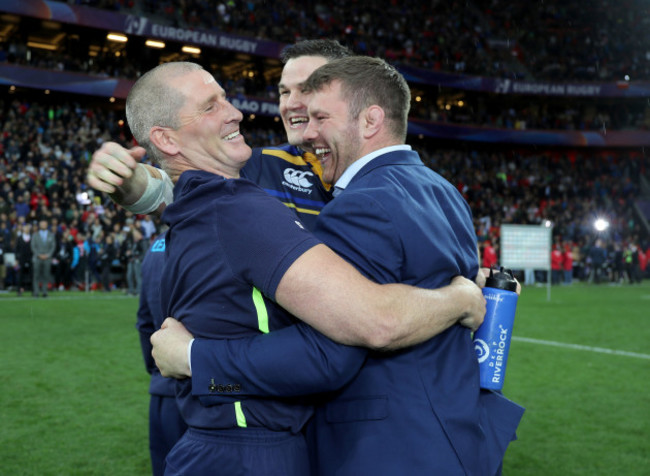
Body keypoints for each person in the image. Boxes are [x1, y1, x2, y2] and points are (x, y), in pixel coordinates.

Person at [154, 57, 525, 476]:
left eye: (320, 117)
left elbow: (328, 356)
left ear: (370, 121)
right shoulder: (441, 190)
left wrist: (194, 359)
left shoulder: (360, 204)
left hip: (388, 449)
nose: (307, 133)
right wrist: (458, 298)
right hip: (454, 430)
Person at [135, 230, 187, 476]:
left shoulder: (155, 246)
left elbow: (145, 322)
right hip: (199, 391)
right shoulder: (203, 237)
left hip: (162, 389)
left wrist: (156, 367)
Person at [31, 218, 56, 297]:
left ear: (47, 225)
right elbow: (33, 246)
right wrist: (39, 255)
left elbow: (53, 246)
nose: (43, 225)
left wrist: (48, 255)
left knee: (46, 275)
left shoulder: (51, 235)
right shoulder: (35, 235)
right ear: (39, 225)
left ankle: (45, 292)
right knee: (36, 275)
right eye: (42, 224)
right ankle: (36, 292)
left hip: (47, 258)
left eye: (44, 224)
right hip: (37, 258)